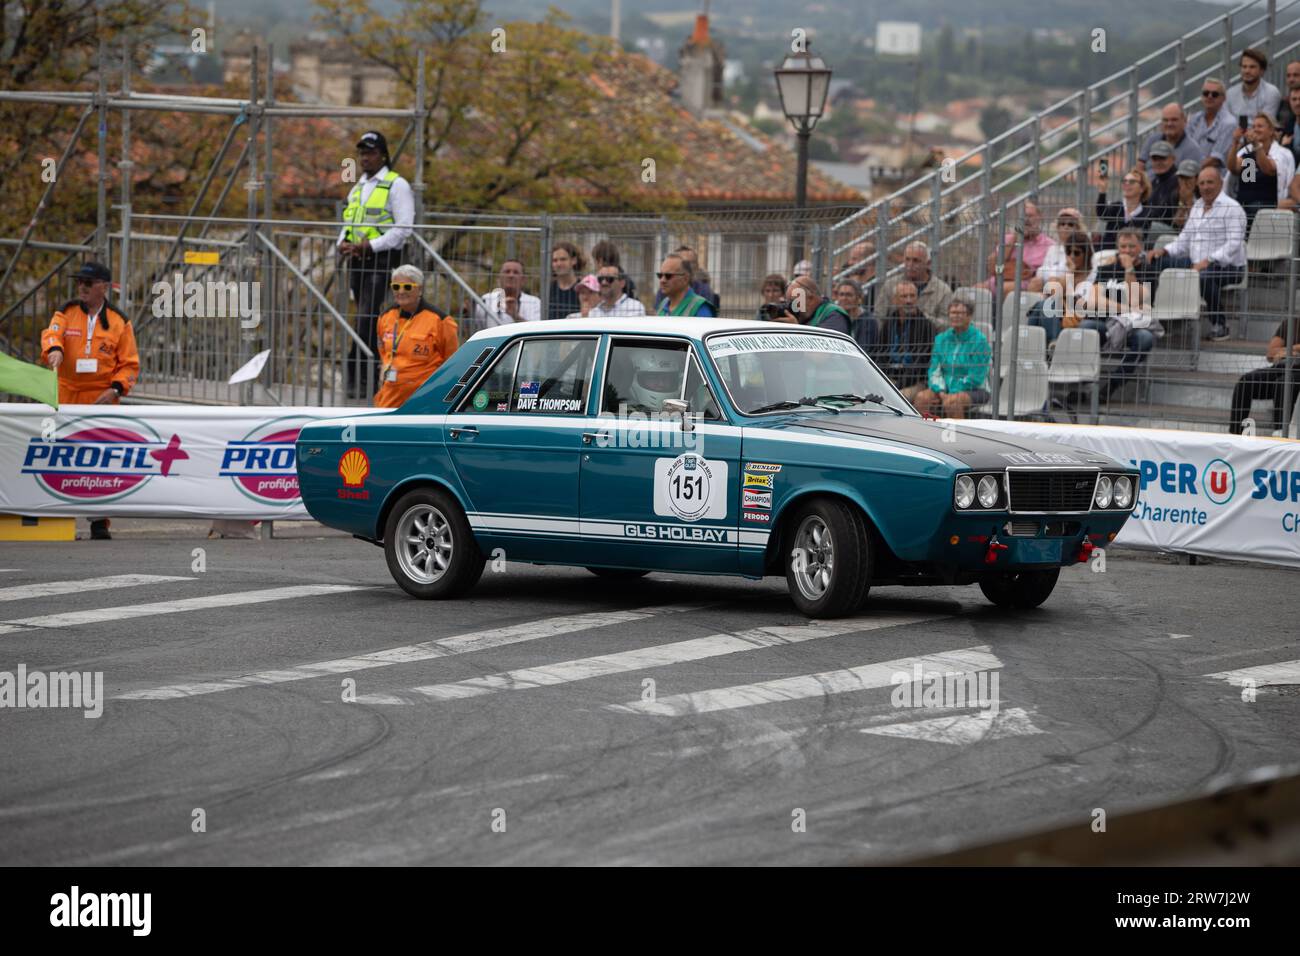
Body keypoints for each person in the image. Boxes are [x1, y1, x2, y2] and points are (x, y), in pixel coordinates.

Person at [40, 261, 141, 541]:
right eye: (79, 282)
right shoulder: (67, 311)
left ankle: (99, 520)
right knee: (57, 456)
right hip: (65, 394)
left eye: (88, 283)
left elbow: (130, 365)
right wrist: (54, 350)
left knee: (99, 459)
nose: (81, 287)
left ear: (103, 287)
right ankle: (54, 516)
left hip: (101, 398)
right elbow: (51, 334)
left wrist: (116, 390)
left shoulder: (120, 322)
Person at [338, 131, 414, 397]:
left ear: (382, 155)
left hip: (382, 259)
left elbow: (404, 228)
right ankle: (362, 380)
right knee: (365, 318)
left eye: (370, 153)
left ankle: (360, 376)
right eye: (361, 153)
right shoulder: (358, 186)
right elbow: (350, 221)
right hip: (358, 260)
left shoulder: (397, 184)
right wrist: (343, 242)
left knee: (367, 317)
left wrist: (371, 245)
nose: (364, 158)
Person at [1148, 165, 1246, 342]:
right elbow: (1184, 239)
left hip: (1228, 267)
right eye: (1202, 183)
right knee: (1154, 263)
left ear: (1220, 183)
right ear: (1197, 186)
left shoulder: (1233, 208)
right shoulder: (1197, 207)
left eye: (1210, 182)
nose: (1206, 187)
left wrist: (1209, 260)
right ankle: (1154, 317)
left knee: (1204, 276)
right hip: (1195, 263)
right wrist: (1164, 250)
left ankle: (1220, 324)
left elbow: (1234, 243)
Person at [1079, 228, 1162, 397]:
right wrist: (1125, 308)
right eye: (1123, 246)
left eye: (1132, 246)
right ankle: (1083, 384)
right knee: (1086, 326)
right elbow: (1094, 301)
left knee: (1145, 338)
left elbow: (1135, 300)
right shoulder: (1107, 268)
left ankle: (1112, 385)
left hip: (1132, 325)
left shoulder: (1149, 271)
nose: (1127, 251)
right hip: (1104, 323)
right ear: (1118, 247)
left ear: (1141, 247)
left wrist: (1129, 269)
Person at [373, 265, 459, 409]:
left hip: (425, 397)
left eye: (407, 287)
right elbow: (383, 349)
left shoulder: (441, 321)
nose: (401, 291)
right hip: (390, 396)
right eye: (396, 286)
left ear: (419, 289)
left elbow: (452, 362)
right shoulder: (385, 317)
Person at [912, 297, 991, 419]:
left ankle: (958, 437)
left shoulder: (980, 341)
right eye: (953, 313)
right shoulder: (941, 338)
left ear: (969, 317)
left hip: (974, 389)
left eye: (960, 313)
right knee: (921, 398)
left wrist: (953, 391)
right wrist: (941, 390)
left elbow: (976, 376)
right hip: (943, 389)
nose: (956, 316)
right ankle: (925, 433)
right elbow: (934, 370)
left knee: (953, 402)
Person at [1228, 315, 1300, 434]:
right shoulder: (1292, 323)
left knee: (1283, 384)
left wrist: (1286, 351)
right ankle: (1235, 434)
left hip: (1296, 373)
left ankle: (1280, 433)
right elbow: (1271, 354)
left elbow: (1278, 351)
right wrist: (1293, 350)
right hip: (1281, 368)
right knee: (1246, 381)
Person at [1027, 231, 1095, 345]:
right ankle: (1053, 342)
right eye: (1069, 252)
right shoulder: (1062, 269)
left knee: (1041, 306)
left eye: (1077, 253)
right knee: (1045, 305)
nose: (1072, 256)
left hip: (1078, 316)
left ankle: (1030, 344)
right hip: (1057, 315)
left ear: (1086, 254)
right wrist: (1071, 272)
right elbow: (1052, 292)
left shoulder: (1093, 274)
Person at [1228, 112, 1295, 224]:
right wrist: (1235, 143)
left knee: (1253, 209)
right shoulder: (1246, 152)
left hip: (1266, 206)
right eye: (1253, 126)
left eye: (1260, 126)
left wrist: (1257, 146)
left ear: (1270, 131)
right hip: (1242, 205)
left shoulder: (1282, 153)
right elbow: (1233, 168)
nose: (1255, 129)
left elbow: (1269, 169)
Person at [875, 281, 936, 400]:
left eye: (912, 296)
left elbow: (920, 364)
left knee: (897, 398)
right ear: (894, 300)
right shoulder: (888, 324)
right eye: (904, 296)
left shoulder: (926, 325)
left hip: (915, 382)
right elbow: (880, 355)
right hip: (890, 378)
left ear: (917, 298)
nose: (909, 301)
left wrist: (896, 386)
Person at [874, 240, 953, 330]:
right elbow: (878, 318)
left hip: (928, 341)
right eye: (907, 259)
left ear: (928, 263)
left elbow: (947, 325)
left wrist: (921, 317)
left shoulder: (943, 291)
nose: (910, 265)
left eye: (916, 261)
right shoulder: (891, 284)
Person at [992, 201, 1056, 293]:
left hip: (1027, 282)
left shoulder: (1049, 244)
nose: (1025, 220)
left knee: (1005, 288)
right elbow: (997, 264)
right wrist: (1015, 237)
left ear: (1039, 218)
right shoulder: (1008, 239)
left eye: (1030, 216)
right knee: (976, 290)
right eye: (1023, 216)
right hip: (1000, 278)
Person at [1096, 165, 1153, 250]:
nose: (1127, 184)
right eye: (1124, 181)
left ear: (1142, 188)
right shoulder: (1116, 206)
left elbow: (1141, 237)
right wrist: (1102, 191)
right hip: (1108, 253)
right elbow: (1101, 213)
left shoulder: (1147, 213)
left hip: (1132, 255)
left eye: (1132, 181)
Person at [473, 259, 541, 328]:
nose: (511, 275)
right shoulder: (486, 299)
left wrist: (515, 316)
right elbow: (475, 326)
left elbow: (535, 331)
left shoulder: (534, 302)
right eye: (507, 272)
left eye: (516, 272)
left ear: (523, 279)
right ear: (499, 278)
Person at [653, 245, 720, 314]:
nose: (662, 280)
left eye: (668, 276)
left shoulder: (701, 307)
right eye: (660, 275)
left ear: (685, 278)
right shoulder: (662, 305)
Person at [1028, 207, 1084, 290]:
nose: (1066, 227)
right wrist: (1054, 276)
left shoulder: (1082, 248)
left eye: (1071, 224)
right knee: (1035, 282)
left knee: (1053, 283)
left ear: (1078, 228)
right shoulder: (1052, 249)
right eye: (1062, 224)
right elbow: (1041, 272)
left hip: (1074, 284)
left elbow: (1074, 272)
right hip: (1052, 283)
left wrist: (1053, 275)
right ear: (1057, 228)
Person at [773, 276, 851, 334]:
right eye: (788, 302)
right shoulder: (801, 316)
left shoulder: (834, 316)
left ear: (811, 299)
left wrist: (796, 329)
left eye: (794, 302)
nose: (791, 306)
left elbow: (821, 352)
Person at [1187, 78, 1238, 166]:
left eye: (1214, 94)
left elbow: (1216, 159)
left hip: (1214, 174)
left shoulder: (1229, 123)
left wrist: (1191, 171)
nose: (1209, 96)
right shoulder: (1194, 119)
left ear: (1223, 98)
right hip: (1190, 171)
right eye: (1206, 93)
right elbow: (1185, 147)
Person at [1139, 104, 1205, 169]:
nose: (1169, 124)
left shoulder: (1192, 150)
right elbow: (1140, 165)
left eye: (1174, 120)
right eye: (1165, 120)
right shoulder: (1152, 140)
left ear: (1184, 121)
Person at [1226, 48, 1282, 125]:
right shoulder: (1230, 93)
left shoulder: (1271, 92)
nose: (1247, 71)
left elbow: (1265, 125)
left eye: (1252, 67)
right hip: (1235, 136)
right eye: (1244, 67)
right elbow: (1227, 124)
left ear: (1262, 71)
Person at [1145, 141, 1182, 228]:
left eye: (1162, 158)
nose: (1158, 162)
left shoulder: (1179, 181)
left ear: (1173, 159)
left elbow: (1164, 213)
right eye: (1155, 159)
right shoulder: (1155, 181)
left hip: (1170, 231)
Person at [547, 241, 585, 321]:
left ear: (574, 260)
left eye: (563, 259)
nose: (559, 264)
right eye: (555, 260)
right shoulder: (547, 290)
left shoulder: (583, 288)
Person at [1172, 159, 1200, 229]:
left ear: (1197, 180)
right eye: (1181, 177)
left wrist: (1189, 201)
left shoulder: (1204, 196)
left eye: (1188, 177)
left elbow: (1198, 224)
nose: (1184, 182)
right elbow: (1176, 225)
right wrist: (1182, 202)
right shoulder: (1175, 195)